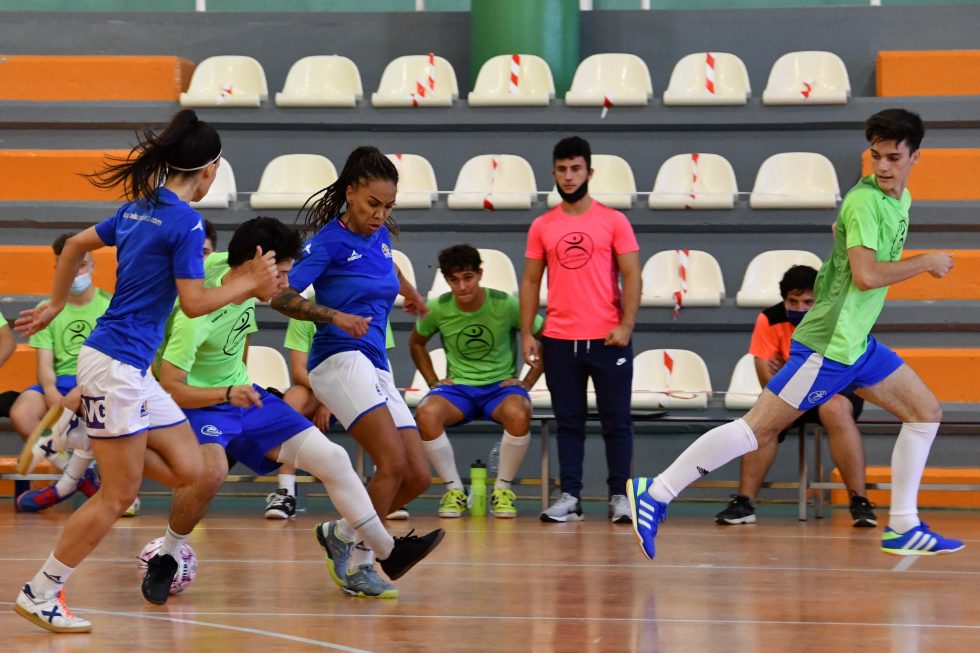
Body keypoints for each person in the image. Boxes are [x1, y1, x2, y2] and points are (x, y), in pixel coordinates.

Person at [628, 108, 964, 560]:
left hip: (856, 344)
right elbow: (865, 277)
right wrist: (925, 262)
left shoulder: (896, 201)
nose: (883, 166)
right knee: (755, 431)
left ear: (915, 157)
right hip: (827, 347)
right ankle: (657, 492)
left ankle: (903, 523)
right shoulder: (864, 201)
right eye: (875, 156)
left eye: (893, 158)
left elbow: (850, 261)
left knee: (925, 412)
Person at [12, 108, 280, 634]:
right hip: (116, 367)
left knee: (190, 470)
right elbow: (196, 302)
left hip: (126, 368)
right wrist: (249, 281)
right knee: (119, 494)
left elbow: (73, 246)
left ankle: (87, 437)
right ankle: (41, 591)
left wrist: (55, 302)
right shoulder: (185, 222)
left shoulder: (140, 209)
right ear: (210, 168)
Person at [150, 216, 443, 602]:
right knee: (212, 471)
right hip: (201, 402)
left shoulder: (229, 265)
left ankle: (379, 550)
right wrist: (225, 394)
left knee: (335, 458)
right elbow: (171, 386)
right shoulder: (198, 315)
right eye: (283, 274)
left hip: (243, 394)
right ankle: (167, 556)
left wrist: (407, 289)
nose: (288, 285)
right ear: (258, 263)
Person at [270, 147, 431, 540]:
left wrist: (409, 292)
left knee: (418, 476)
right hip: (338, 358)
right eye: (373, 204)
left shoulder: (379, 237)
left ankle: (342, 535)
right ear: (351, 194)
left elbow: (385, 264)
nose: (380, 215)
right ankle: (359, 559)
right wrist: (334, 316)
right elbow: (281, 297)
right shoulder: (329, 242)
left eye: (388, 206)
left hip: (376, 364)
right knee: (391, 463)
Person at [519, 136, 642, 523]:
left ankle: (620, 496)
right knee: (568, 423)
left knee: (616, 422)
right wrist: (527, 332)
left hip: (608, 338)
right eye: (562, 169)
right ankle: (570, 495)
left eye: (576, 169)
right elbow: (529, 282)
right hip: (559, 339)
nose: (569, 177)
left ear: (589, 171)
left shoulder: (614, 220)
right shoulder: (542, 225)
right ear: (553, 173)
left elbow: (632, 275)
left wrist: (626, 325)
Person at [714, 265, 877, 528]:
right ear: (784, 300)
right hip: (791, 392)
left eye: (808, 302)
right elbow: (767, 380)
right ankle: (744, 503)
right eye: (793, 301)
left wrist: (789, 372)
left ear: (820, 300)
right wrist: (787, 381)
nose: (800, 307)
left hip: (836, 390)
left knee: (833, 408)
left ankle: (860, 502)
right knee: (766, 417)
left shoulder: (838, 319)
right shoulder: (769, 319)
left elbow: (839, 371)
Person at [411, 244, 543, 518]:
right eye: (454, 280)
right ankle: (454, 490)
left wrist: (527, 382)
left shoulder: (506, 304)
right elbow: (416, 344)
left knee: (520, 413)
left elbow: (548, 338)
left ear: (480, 274)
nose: (462, 286)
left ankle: (502, 490)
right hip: (459, 390)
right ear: (446, 280)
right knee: (425, 413)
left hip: (499, 390)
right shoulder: (437, 308)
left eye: (468, 277)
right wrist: (434, 381)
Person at [273, 306, 405, 520]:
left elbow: (378, 366)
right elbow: (298, 371)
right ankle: (286, 491)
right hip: (316, 385)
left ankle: (386, 485)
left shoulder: (374, 308)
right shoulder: (304, 310)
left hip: (358, 385)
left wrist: (332, 400)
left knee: (378, 400)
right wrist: (327, 394)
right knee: (293, 399)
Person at [12, 234, 110, 512]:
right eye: (67, 266)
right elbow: (44, 368)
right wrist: (54, 394)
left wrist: (78, 394)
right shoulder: (47, 309)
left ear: (92, 267)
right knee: (22, 412)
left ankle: (69, 482)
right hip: (60, 383)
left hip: (97, 382)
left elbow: (111, 361)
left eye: (82, 265)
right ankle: (78, 476)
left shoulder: (109, 306)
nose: (75, 272)